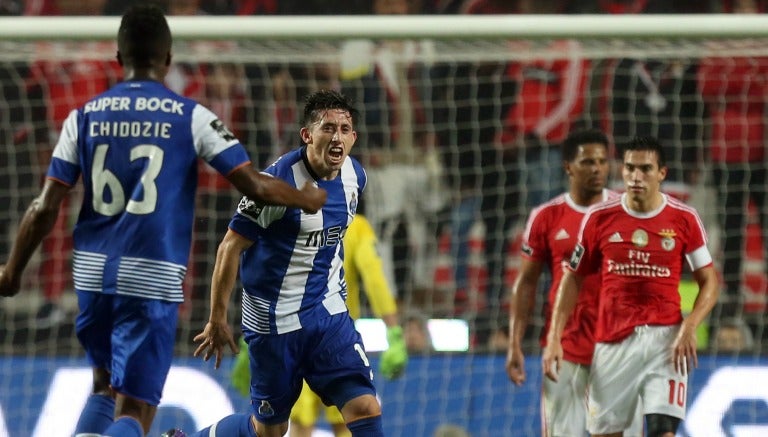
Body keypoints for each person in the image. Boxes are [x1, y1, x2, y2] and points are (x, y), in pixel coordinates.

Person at [0, 4, 326, 437]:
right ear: (168, 59)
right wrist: (304, 197)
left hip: (93, 276)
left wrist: (11, 271)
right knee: (135, 410)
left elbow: (43, 208)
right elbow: (255, 186)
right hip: (152, 276)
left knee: (102, 385)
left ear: (118, 58)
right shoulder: (190, 116)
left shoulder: (83, 116)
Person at [170, 89, 383, 437]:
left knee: (365, 406)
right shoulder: (273, 185)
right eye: (328, 128)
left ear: (354, 137)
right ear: (307, 135)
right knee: (269, 429)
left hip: (326, 315)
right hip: (273, 322)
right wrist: (217, 318)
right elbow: (228, 248)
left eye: (345, 129)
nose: (337, 137)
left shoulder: (355, 178)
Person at [542, 136, 720, 437]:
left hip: (666, 341)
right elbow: (572, 277)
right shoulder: (598, 219)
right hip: (613, 342)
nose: (636, 177)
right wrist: (555, 337)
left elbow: (710, 281)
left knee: (663, 431)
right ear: (621, 171)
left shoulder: (684, 219)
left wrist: (690, 325)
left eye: (645, 169)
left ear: (662, 173)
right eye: (630, 168)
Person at [506, 129, 642, 436]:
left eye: (602, 161)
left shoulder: (628, 211)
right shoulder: (546, 216)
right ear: (568, 166)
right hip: (564, 347)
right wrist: (515, 342)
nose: (597, 168)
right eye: (587, 161)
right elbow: (526, 283)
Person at [228, 212, 408, 437]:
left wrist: (252, 342)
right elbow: (375, 280)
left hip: (292, 340)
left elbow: (263, 277)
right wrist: (393, 332)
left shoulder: (284, 222)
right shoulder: (355, 226)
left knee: (298, 427)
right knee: (352, 419)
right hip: (336, 342)